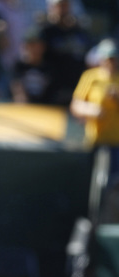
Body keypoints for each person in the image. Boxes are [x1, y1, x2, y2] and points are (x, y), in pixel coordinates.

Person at [70, 38, 119, 223]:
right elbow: (76, 105)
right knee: (91, 185)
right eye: (107, 58)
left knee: (112, 186)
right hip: (94, 142)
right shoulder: (91, 77)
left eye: (113, 58)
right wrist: (92, 110)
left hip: (116, 144)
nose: (110, 62)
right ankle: (90, 220)